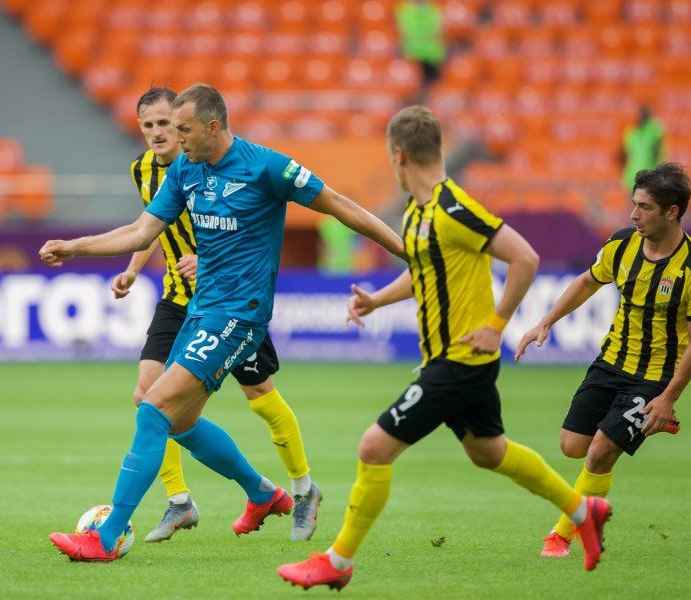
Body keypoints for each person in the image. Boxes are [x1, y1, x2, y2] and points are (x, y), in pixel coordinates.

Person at [41, 83, 406, 562]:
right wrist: (74, 247)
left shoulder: (268, 168)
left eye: (184, 129)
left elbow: (343, 206)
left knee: (154, 409)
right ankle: (262, 493)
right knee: (180, 422)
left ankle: (106, 537)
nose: (176, 138)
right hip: (198, 311)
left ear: (213, 127)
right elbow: (140, 231)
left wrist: (409, 254)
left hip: (239, 316)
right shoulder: (185, 170)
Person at [277, 106, 612, 590]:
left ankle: (338, 561)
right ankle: (583, 511)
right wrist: (376, 299)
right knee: (489, 452)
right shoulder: (418, 213)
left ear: (398, 155)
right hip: (451, 359)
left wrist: (497, 325)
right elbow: (423, 273)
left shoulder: (453, 209)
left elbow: (525, 257)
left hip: (460, 360)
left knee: (374, 447)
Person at [113, 86, 322, 543]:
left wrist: (207, 261)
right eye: (148, 125)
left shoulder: (212, 162)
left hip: (231, 301)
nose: (159, 133)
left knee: (261, 397)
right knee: (149, 396)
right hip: (179, 299)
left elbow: (243, 229)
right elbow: (149, 226)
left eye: (167, 124)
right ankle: (179, 500)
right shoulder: (144, 170)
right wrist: (133, 268)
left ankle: (302, 487)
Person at [516, 162, 690, 559]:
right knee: (572, 446)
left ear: (672, 212)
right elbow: (587, 282)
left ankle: (562, 536)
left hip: (654, 376)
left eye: (644, 207)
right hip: (611, 361)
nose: (633, 214)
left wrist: (667, 397)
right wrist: (545, 322)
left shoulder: (690, 267)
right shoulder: (623, 244)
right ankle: (648, 423)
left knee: (599, 453)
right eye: (634, 204)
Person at [395, 0, 445, 84]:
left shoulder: (434, 9)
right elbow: (403, 30)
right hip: (411, 53)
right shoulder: (403, 9)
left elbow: (438, 30)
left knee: (433, 82)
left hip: (432, 54)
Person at [622, 106, 666, 192]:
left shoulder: (653, 131)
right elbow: (627, 154)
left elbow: (659, 151)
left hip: (649, 175)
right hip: (632, 176)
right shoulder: (631, 132)